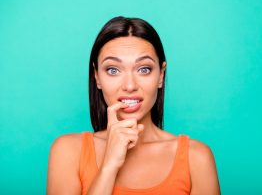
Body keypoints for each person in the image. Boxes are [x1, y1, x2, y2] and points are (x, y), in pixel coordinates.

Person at [46, 16, 220, 195]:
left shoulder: (196, 158)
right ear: (97, 77)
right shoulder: (67, 152)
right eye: (113, 70)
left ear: (161, 76)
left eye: (144, 69)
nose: (130, 86)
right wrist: (109, 166)